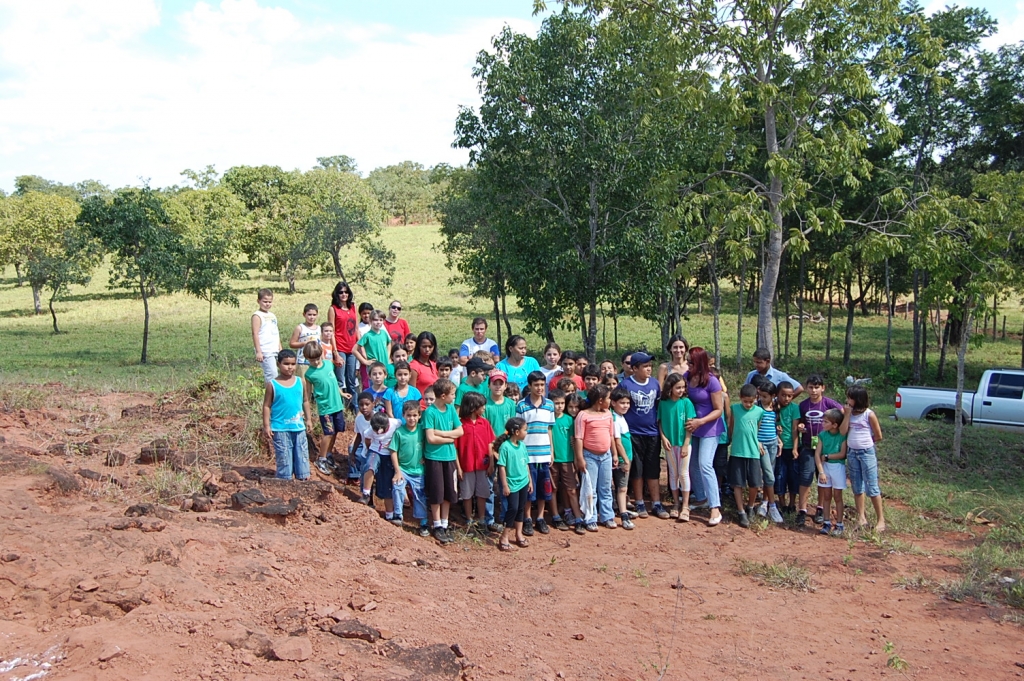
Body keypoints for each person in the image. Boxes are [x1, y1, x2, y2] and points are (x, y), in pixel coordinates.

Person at [682, 347, 725, 526]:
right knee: (693, 464)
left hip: (709, 428)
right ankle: (701, 497)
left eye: (691, 362)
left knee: (705, 464)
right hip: (694, 428)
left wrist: (701, 421)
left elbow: (718, 409)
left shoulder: (712, 382)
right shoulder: (687, 377)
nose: (687, 365)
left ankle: (715, 507)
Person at [621, 352, 665, 519]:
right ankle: (639, 501)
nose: (649, 369)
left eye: (650, 366)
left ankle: (656, 502)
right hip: (633, 433)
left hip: (652, 432)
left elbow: (658, 405)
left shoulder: (654, 384)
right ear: (634, 369)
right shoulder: (626, 385)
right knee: (637, 469)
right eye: (645, 366)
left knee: (653, 468)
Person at [796, 374, 844, 528]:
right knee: (805, 477)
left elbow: (842, 412)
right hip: (808, 447)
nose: (814, 390)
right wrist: (801, 428)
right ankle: (802, 510)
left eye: (817, 387)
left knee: (822, 479)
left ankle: (820, 508)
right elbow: (800, 422)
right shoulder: (803, 405)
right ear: (807, 388)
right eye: (810, 387)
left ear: (822, 388)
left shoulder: (828, 403)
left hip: (825, 450)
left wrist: (834, 431)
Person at [422, 378, 464, 544]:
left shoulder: (451, 409)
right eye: (452, 394)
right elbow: (430, 438)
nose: (454, 397)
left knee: (448, 492)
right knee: (436, 492)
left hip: (450, 457)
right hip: (434, 458)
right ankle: (437, 524)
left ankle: (445, 524)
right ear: (444, 395)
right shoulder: (430, 412)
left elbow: (460, 431)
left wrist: (442, 433)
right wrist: (449, 437)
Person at [516, 371, 557, 535]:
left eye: (542, 385)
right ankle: (527, 519)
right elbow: (518, 431)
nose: (540, 388)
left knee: (544, 487)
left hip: (544, 454)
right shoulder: (521, 405)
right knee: (528, 489)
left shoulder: (549, 405)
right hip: (527, 454)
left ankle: (540, 518)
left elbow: (549, 429)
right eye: (536, 385)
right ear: (530, 386)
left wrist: (551, 451)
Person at [261, 350, 312, 480]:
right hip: (280, 428)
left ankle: (303, 480)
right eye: (286, 364)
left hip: (298, 427)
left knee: (302, 456)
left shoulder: (301, 382)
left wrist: (309, 419)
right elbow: (266, 406)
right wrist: (267, 426)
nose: (290, 367)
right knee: (284, 458)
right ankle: (285, 482)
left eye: (293, 364)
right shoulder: (272, 384)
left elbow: (305, 401)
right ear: (278, 364)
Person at [841, 385, 886, 532]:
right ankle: (861, 517)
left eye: (850, 398)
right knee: (857, 486)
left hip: (866, 453)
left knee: (871, 486)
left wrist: (866, 442)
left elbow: (878, 435)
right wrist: (847, 414)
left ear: (858, 400)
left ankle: (881, 520)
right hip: (852, 453)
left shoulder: (869, 414)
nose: (847, 400)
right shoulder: (848, 413)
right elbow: (842, 432)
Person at [574, 384, 617, 532]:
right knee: (590, 489)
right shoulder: (583, 415)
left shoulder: (608, 414)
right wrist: (580, 458)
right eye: (608, 398)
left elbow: (611, 435)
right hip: (589, 456)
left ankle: (607, 516)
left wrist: (615, 453)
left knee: (605, 487)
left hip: (606, 456)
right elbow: (579, 438)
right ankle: (590, 517)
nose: (610, 401)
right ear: (600, 400)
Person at [302, 341, 348, 476]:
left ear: (321, 355)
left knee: (336, 432)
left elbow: (333, 381)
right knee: (328, 432)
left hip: (337, 405)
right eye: (312, 360)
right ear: (307, 359)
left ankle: (328, 454)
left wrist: (341, 393)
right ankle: (320, 459)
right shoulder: (309, 374)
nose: (315, 362)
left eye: (317, 358)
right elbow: (308, 394)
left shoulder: (328, 364)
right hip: (325, 408)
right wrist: (307, 415)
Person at [658, 374, 696, 520]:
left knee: (683, 473)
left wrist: (686, 444)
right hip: (670, 444)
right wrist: (663, 437)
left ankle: (685, 506)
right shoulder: (663, 403)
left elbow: (689, 426)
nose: (681, 390)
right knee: (673, 474)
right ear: (670, 388)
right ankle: (675, 503)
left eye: (683, 387)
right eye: (677, 387)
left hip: (683, 444)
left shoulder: (686, 403)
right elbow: (660, 422)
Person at [390, 401, 430, 536]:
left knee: (420, 495)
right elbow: (393, 451)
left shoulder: (422, 431)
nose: (411, 418)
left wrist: (426, 457)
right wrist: (397, 471)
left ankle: (423, 522)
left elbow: (428, 445)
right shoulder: (399, 432)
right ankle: (398, 515)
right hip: (403, 470)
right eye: (408, 415)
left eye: (414, 415)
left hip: (418, 470)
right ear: (403, 415)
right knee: (397, 487)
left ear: (419, 416)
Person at [729, 383, 766, 528]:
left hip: (753, 453)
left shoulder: (759, 412)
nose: (748, 404)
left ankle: (750, 506)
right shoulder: (735, 409)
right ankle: (740, 511)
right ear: (740, 398)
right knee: (738, 483)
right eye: (745, 401)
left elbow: (756, 429)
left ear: (756, 399)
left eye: (751, 401)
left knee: (755, 484)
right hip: (738, 451)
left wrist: (757, 443)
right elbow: (731, 426)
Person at [456, 392, 495, 528]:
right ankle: (469, 519)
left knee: (482, 492)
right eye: (481, 406)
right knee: (466, 493)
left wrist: (491, 463)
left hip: (482, 465)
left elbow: (491, 443)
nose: (484, 408)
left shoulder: (484, 423)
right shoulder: (460, 424)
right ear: (473, 407)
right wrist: (458, 467)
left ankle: (482, 519)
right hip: (466, 465)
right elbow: (455, 447)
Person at [549, 389, 584, 533]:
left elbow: (573, 440)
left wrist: (576, 458)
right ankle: (555, 515)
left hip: (568, 460)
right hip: (552, 460)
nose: (559, 406)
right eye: (556, 403)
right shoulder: (548, 418)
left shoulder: (570, 420)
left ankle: (578, 517)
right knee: (553, 489)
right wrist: (550, 453)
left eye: (562, 403)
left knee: (571, 489)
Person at [495, 417, 532, 551]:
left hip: (523, 482)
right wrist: (505, 485)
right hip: (512, 484)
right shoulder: (505, 447)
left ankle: (518, 534)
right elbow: (502, 467)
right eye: (525, 430)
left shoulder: (522, 445)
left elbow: (526, 464)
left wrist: (530, 480)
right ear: (516, 432)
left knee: (521, 507)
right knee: (513, 509)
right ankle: (504, 537)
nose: (526, 432)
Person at [755, 380, 785, 523]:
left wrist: (779, 439)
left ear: (773, 396)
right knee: (769, 475)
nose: (762, 399)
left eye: (765, 396)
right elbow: (754, 427)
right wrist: (757, 442)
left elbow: (776, 425)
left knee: (770, 474)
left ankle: (765, 503)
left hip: (773, 443)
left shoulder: (776, 407)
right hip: (762, 445)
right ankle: (772, 506)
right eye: (761, 395)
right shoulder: (757, 407)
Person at [815, 408, 848, 536]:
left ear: (834, 425)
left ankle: (839, 524)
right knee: (826, 496)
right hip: (825, 468)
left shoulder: (842, 435)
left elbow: (842, 454)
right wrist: (821, 472)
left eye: (826, 422)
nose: (823, 424)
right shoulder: (822, 435)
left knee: (838, 497)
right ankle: (826, 522)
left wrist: (828, 456)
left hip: (837, 468)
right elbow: (817, 454)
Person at [367, 412, 402, 521]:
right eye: (376, 431)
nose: (379, 433)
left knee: (388, 485)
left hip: (390, 456)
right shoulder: (370, 430)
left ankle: (389, 515)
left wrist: (394, 443)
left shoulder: (396, 423)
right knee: (371, 468)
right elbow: (367, 438)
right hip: (377, 453)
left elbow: (401, 432)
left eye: (382, 430)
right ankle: (366, 493)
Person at [610, 387, 636, 530]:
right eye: (622, 403)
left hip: (626, 457)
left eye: (627, 402)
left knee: (621, 487)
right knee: (622, 488)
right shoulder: (614, 418)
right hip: (621, 459)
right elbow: (617, 442)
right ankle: (624, 517)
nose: (625, 405)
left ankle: (622, 509)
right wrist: (625, 459)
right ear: (613, 403)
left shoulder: (620, 417)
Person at [328, 282, 359, 397]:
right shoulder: (333, 309)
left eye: (346, 292)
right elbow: (332, 331)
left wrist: (359, 345)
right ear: (337, 294)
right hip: (340, 347)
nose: (344, 294)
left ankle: (354, 406)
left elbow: (356, 328)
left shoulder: (353, 307)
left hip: (352, 348)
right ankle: (339, 407)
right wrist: (335, 353)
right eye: (341, 292)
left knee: (351, 379)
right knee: (340, 380)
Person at [775, 381, 801, 514]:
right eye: (783, 395)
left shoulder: (794, 408)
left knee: (793, 475)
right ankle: (782, 503)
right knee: (780, 475)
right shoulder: (773, 408)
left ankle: (792, 503)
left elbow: (795, 429)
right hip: (778, 449)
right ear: (777, 395)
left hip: (792, 448)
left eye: (789, 396)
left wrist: (795, 448)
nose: (786, 398)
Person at [251, 288, 281, 382]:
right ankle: (270, 395)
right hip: (265, 350)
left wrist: (280, 348)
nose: (267, 304)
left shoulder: (272, 315)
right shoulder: (257, 315)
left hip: (274, 349)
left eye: (270, 302)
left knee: (279, 374)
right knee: (272, 374)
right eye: (265, 301)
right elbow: (255, 333)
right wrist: (259, 351)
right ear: (258, 301)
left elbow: (276, 332)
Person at [354, 310, 391, 377]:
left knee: (385, 385)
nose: (378, 322)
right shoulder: (367, 335)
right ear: (370, 321)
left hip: (384, 365)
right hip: (374, 367)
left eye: (380, 320)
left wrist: (387, 356)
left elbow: (389, 343)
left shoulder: (384, 333)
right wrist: (364, 361)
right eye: (376, 320)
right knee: (375, 386)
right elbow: (354, 350)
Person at [383, 360, 422, 424]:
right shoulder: (389, 392)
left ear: (410, 375)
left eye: (405, 374)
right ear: (395, 375)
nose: (402, 377)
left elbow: (418, 411)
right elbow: (389, 413)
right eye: (399, 375)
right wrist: (396, 425)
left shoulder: (415, 392)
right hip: (396, 426)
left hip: (412, 426)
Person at [348, 392, 374, 486]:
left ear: (373, 404)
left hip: (376, 450)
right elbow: (359, 435)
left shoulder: (377, 418)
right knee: (364, 472)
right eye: (361, 405)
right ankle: (364, 491)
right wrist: (353, 453)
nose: (364, 407)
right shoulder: (359, 420)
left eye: (367, 404)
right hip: (365, 449)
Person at [288, 304, 321, 378]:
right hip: (303, 361)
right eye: (309, 315)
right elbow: (292, 343)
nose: (312, 317)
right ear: (304, 314)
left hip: (316, 360)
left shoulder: (319, 328)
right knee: (304, 382)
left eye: (314, 315)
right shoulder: (300, 328)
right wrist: (304, 343)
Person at [410, 332, 440, 408]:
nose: (427, 349)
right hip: (421, 408)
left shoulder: (434, 364)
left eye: (430, 346)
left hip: (435, 407)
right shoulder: (414, 366)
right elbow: (412, 392)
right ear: (418, 347)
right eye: (424, 346)